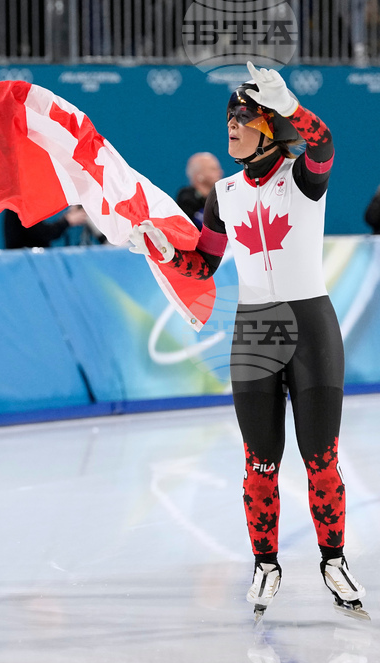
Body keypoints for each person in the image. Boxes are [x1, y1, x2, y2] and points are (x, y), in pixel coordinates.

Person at [131, 62, 368, 621]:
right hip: (256, 328)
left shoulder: (305, 176)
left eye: (243, 117)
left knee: (321, 462)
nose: (231, 126)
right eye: (229, 117)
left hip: (310, 325)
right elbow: (204, 264)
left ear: (273, 128)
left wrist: (292, 106)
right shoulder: (223, 194)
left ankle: (332, 560)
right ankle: (265, 563)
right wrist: (164, 253)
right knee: (259, 463)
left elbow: (325, 141)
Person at [2, 205, 99, 249]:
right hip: (24, 268)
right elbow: (43, 233)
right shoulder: (19, 206)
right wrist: (67, 221)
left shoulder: (23, 205)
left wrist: (67, 219)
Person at [175, 152, 223, 229]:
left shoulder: (223, 197)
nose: (220, 172)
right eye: (213, 169)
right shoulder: (187, 199)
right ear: (199, 175)